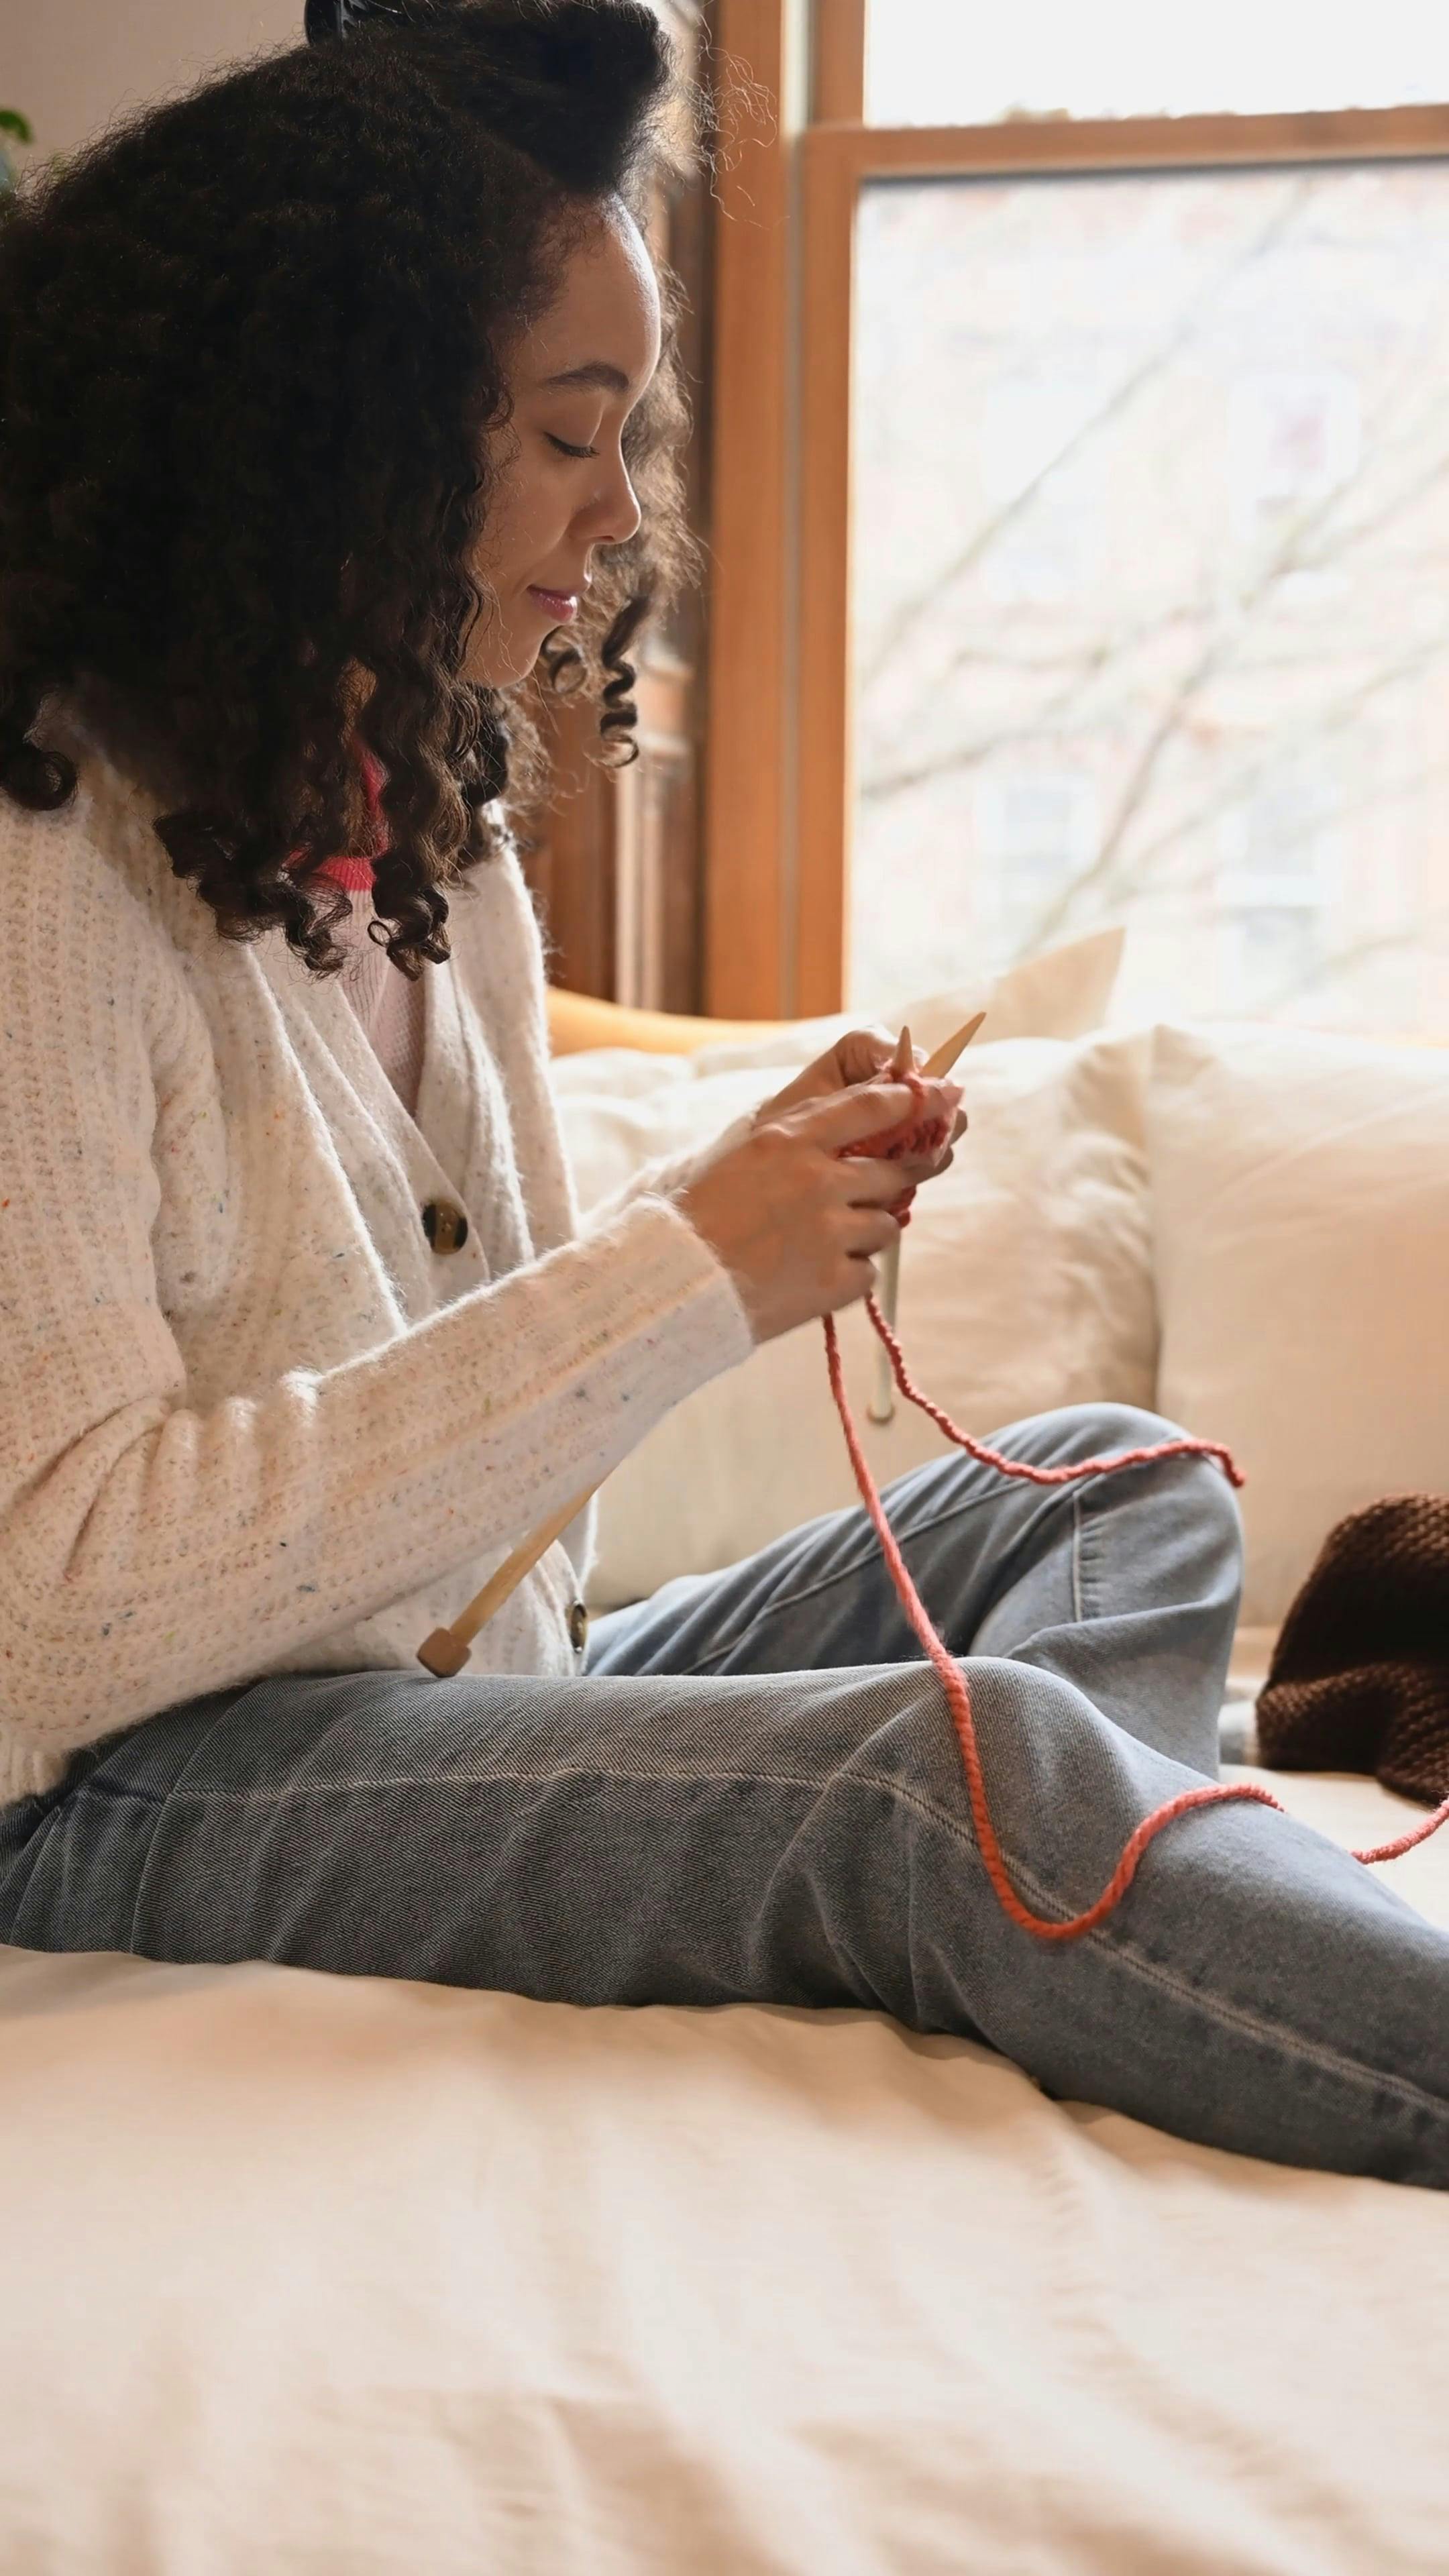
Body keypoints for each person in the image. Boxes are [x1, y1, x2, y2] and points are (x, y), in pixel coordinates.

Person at [0, 0, 1444, 2194]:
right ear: (353, 429)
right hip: (130, 1779)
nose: (620, 506)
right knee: (946, 1779)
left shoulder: (434, 834)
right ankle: (1081, 1922)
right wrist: (693, 1274)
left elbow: (455, 1426)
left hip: (460, 1685)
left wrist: (744, 1202)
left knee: (1121, 1488)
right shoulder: (49, 868)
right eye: (575, 432)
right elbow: (66, 1590)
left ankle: (1098, 1954)